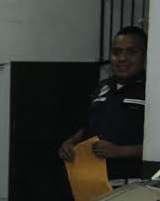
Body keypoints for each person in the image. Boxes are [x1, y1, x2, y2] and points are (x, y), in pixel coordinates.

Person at [59, 26, 147, 185]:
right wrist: (71, 142)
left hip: (130, 185)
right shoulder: (103, 87)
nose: (122, 58)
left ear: (145, 56)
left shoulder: (153, 91)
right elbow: (89, 126)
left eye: (131, 52)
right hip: (91, 183)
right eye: (117, 52)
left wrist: (120, 152)